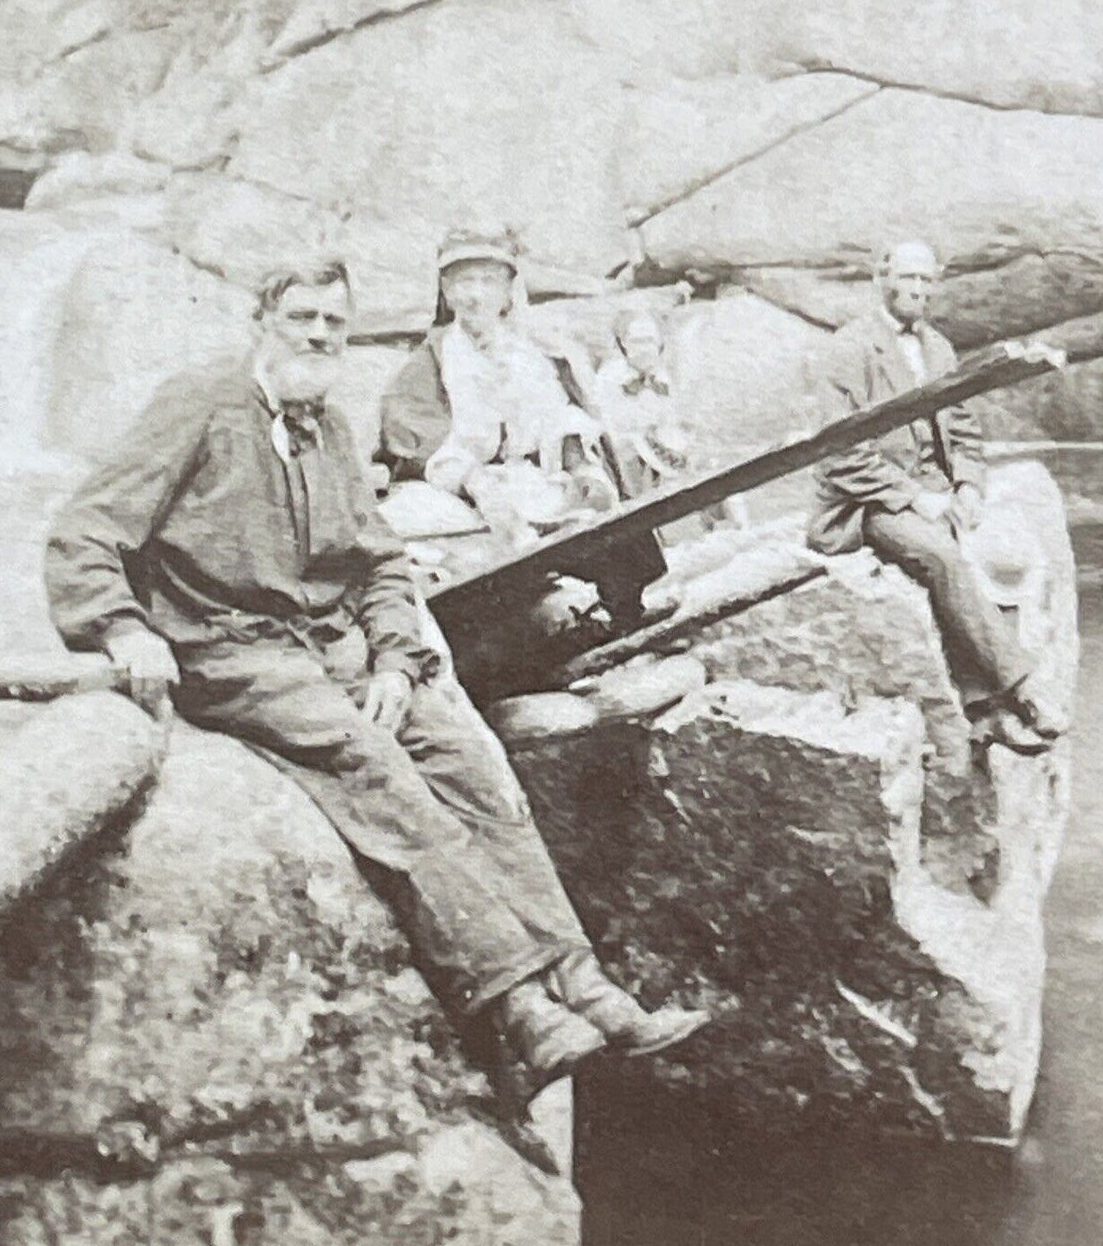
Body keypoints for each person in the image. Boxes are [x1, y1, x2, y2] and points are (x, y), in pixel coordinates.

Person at [45, 257, 707, 1095]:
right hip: (230, 649)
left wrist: (396, 657)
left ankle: (583, 981)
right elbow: (85, 530)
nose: (320, 335)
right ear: (264, 321)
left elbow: (381, 565)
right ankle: (516, 999)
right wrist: (120, 625)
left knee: (463, 763)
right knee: (371, 763)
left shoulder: (328, 427)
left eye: (335, 323)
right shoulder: (200, 404)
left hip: (331, 643)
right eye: (303, 318)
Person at [806, 241, 1068, 755]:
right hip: (867, 503)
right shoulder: (850, 348)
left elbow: (966, 430)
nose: (919, 290)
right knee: (941, 556)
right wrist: (913, 498)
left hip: (935, 490)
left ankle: (985, 711)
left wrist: (968, 485)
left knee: (1002, 553)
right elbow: (838, 453)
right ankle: (1019, 692)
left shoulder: (939, 349)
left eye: (928, 281)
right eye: (909, 278)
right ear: (882, 278)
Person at [376, 228, 617, 539]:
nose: (476, 296)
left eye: (489, 281)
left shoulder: (533, 356)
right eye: (465, 282)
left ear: (507, 292)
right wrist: (480, 487)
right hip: (461, 499)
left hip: (536, 486)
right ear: (447, 291)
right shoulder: (429, 364)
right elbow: (417, 441)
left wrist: (584, 470)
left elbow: (561, 421)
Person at [591, 309, 690, 499]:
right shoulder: (610, 376)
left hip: (657, 443)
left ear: (660, 344)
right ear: (623, 344)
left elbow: (669, 416)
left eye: (649, 341)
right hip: (625, 445)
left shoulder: (662, 376)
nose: (643, 348)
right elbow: (610, 420)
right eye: (636, 342)